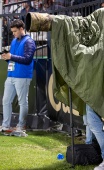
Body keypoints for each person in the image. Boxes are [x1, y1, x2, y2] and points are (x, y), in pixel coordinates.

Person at [25, 7, 104, 170]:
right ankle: (92, 150)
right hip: (97, 82)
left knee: (92, 120)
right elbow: (85, 24)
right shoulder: (100, 15)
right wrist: (57, 21)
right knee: (89, 119)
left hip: (99, 81)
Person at [0, 19, 36, 132]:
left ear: (22, 29)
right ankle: (5, 126)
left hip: (22, 75)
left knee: (22, 102)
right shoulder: (14, 41)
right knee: (6, 100)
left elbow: (27, 59)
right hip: (11, 75)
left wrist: (10, 57)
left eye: (15, 31)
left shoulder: (29, 42)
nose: (13, 33)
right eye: (12, 31)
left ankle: (21, 126)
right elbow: (13, 59)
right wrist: (7, 58)